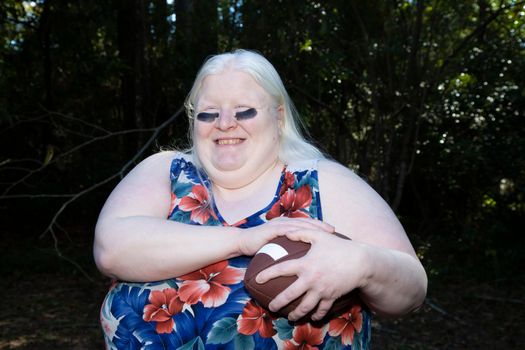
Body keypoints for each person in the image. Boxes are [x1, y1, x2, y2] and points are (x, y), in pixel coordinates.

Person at [94, 49, 427, 349]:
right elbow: (111, 248)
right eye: (208, 113)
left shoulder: (322, 182)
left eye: (244, 110)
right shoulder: (166, 172)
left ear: (278, 117)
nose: (225, 124)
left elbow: (412, 289)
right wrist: (242, 240)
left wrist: (363, 264)